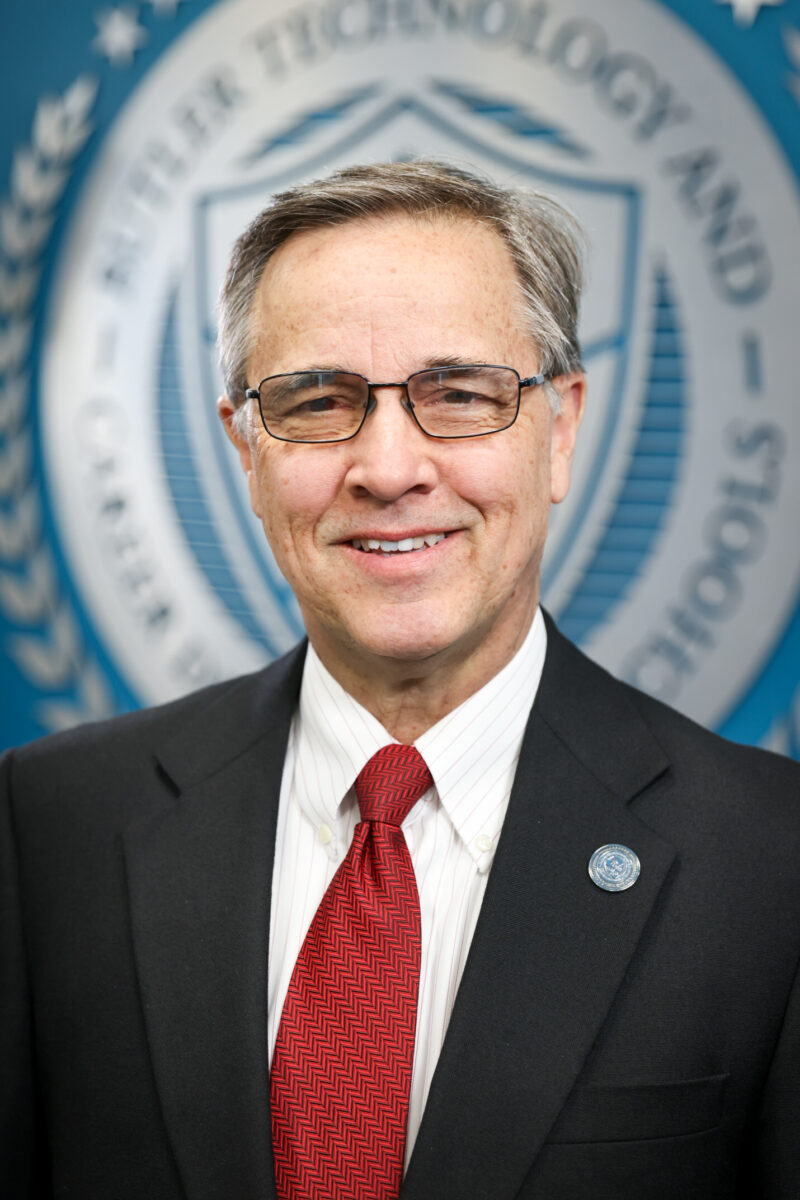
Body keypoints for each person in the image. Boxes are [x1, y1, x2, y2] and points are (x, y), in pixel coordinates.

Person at [1, 160, 799, 1200]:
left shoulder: (771, 860)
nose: (387, 467)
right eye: (317, 400)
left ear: (557, 431)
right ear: (245, 449)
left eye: (457, 395)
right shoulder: (46, 825)